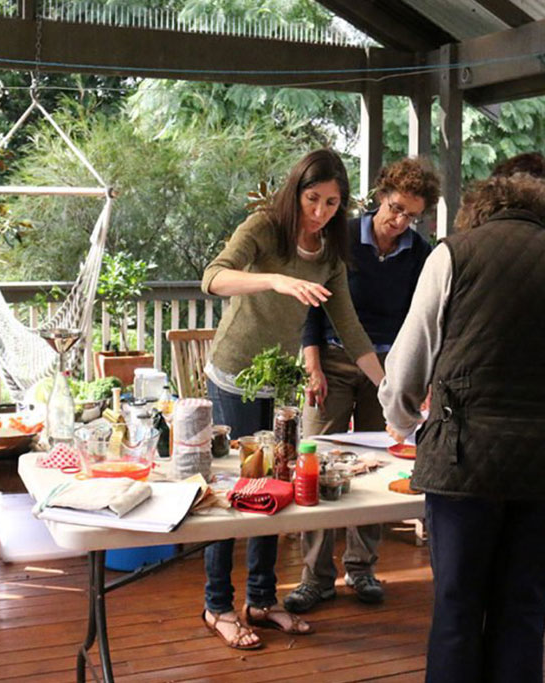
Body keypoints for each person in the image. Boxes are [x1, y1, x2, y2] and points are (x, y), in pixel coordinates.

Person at [379, 169, 545, 682]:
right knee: (524, 610)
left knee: (457, 610)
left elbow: (405, 370)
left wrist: (401, 426)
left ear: (477, 213)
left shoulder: (454, 254)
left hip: (465, 466)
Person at [199, 149, 385, 650]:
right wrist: (276, 279)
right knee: (232, 494)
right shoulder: (264, 227)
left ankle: (261, 598)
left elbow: (350, 327)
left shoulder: (329, 252)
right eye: (313, 199)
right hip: (235, 374)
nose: (321, 212)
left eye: (332, 203)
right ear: (296, 190)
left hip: (278, 379)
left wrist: (388, 388)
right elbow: (213, 277)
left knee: (273, 491)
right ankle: (217, 605)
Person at [284, 156, 440, 613]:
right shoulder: (343, 236)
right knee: (314, 458)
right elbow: (311, 306)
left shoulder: (422, 253)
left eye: (411, 214)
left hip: (388, 370)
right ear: (379, 197)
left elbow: (422, 320)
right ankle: (315, 577)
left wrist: (414, 378)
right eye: (394, 208)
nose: (400, 221)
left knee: (377, 463)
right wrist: (311, 364)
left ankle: (361, 566)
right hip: (331, 359)